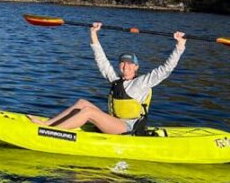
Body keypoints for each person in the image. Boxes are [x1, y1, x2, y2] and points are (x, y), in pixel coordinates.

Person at [28, 22, 187, 134]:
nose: (126, 67)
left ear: (136, 67)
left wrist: (179, 46)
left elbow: (165, 69)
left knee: (89, 111)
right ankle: (47, 124)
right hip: (115, 122)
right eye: (123, 64)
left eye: (130, 64)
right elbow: (101, 61)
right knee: (83, 103)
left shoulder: (142, 83)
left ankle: (51, 133)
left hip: (128, 127)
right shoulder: (115, 80)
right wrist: (93, 34)